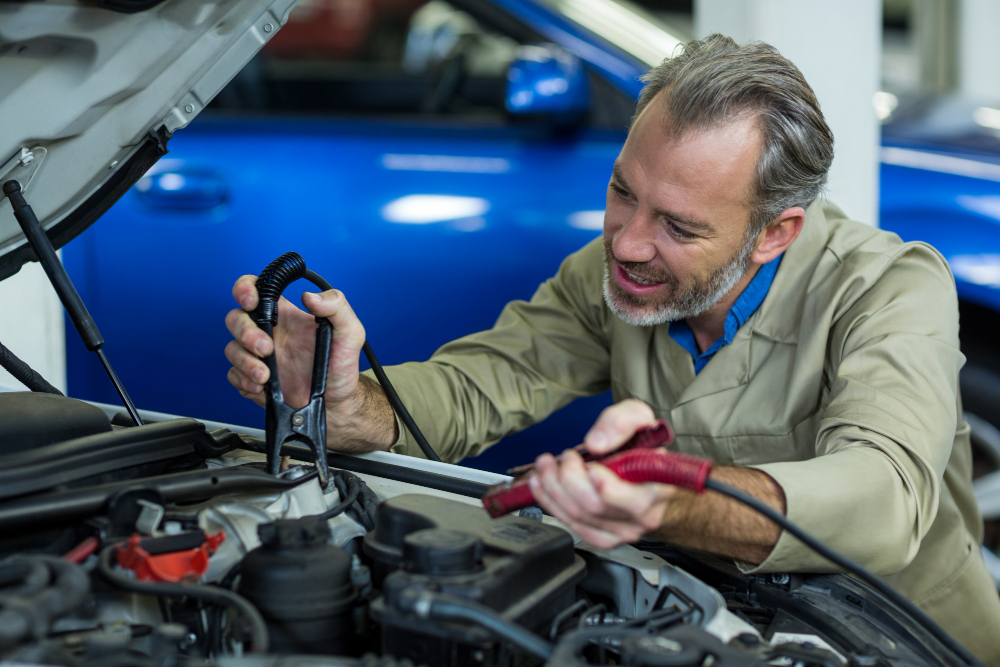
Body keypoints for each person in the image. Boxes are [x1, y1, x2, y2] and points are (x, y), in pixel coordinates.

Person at [224, 35, 1000, 661]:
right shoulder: (614, 276)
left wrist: (662, 496)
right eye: (623, 190)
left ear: (774, 234)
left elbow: (884, 496)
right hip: (712, 624)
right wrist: (355, 405)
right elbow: (481, 383)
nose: (626, 242)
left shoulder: (890, 287)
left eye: (679, 225)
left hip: (903, 638)